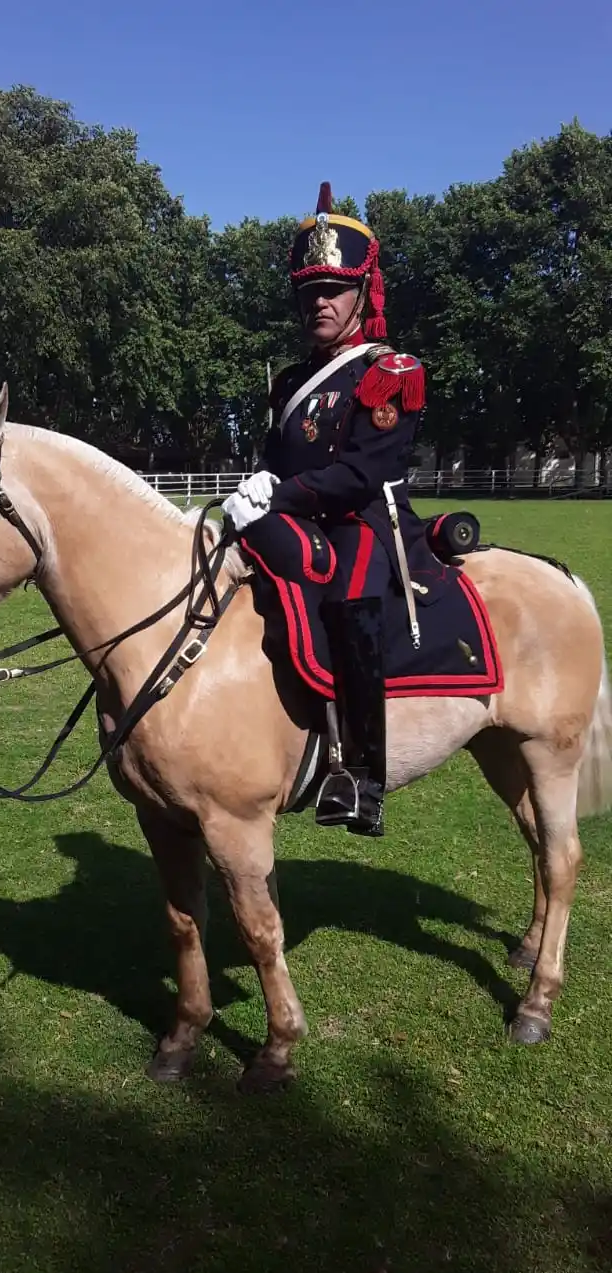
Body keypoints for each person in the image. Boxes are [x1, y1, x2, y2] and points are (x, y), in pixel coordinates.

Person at [222, 182, 436, 838]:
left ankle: (363, 776)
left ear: (363, 293)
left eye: (333, 289)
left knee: (349, 604)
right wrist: (253, 488)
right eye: (309, 291)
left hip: (364, 519)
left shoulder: (392, 370)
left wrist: (278, 494)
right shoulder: (289, 381)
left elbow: (362, 473)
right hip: (293, 517)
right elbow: (275, 457)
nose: (318, 302)